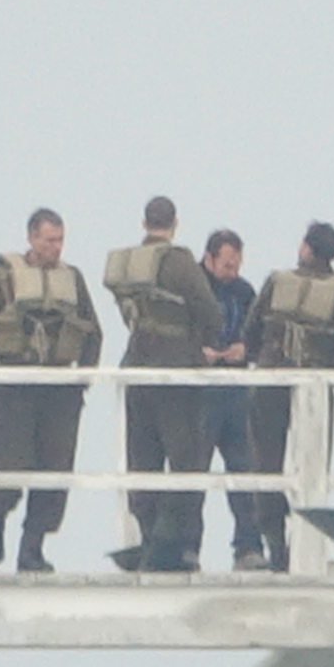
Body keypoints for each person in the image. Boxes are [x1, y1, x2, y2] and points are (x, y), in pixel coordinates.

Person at [0, 207, 102, 573]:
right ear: (31, 238)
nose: (56, 247)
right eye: (49, 240)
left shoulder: (72, 279)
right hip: (14, 387)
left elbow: (94, 332)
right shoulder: (3, 277)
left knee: (55, 472)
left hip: (60, 389)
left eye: (60, 240)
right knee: (11, 465)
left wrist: (82, 379)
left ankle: (32, 548)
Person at [103, 195, 222, 572]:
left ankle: (148, 536)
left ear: (144, 224)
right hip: (174, 370)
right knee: (185, 459)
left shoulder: (128, 264)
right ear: (174, 223)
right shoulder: (179, 261)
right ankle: (168, 543)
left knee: (143, 458)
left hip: (137, 366)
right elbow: (211, 313)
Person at [241, 221, 334, 570]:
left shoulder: (277, 282)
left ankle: (275, 546)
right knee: (314, 466)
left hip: (270, 380)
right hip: (316, 387)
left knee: (266, 465)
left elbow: (250, 334)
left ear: (305, 248)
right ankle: (305, 546)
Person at [198, 229, 265, 570]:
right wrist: (199, 353)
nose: (232, 271)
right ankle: (187, 548)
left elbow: (259, 335)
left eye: (236, 264)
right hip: (201, 395)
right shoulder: (193, 289)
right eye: (226, 264)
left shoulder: (244, 292)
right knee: (193, 473)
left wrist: (245, 349)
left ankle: (248, 547)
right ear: (209, 259)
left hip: (237, 392)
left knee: (243, 470)